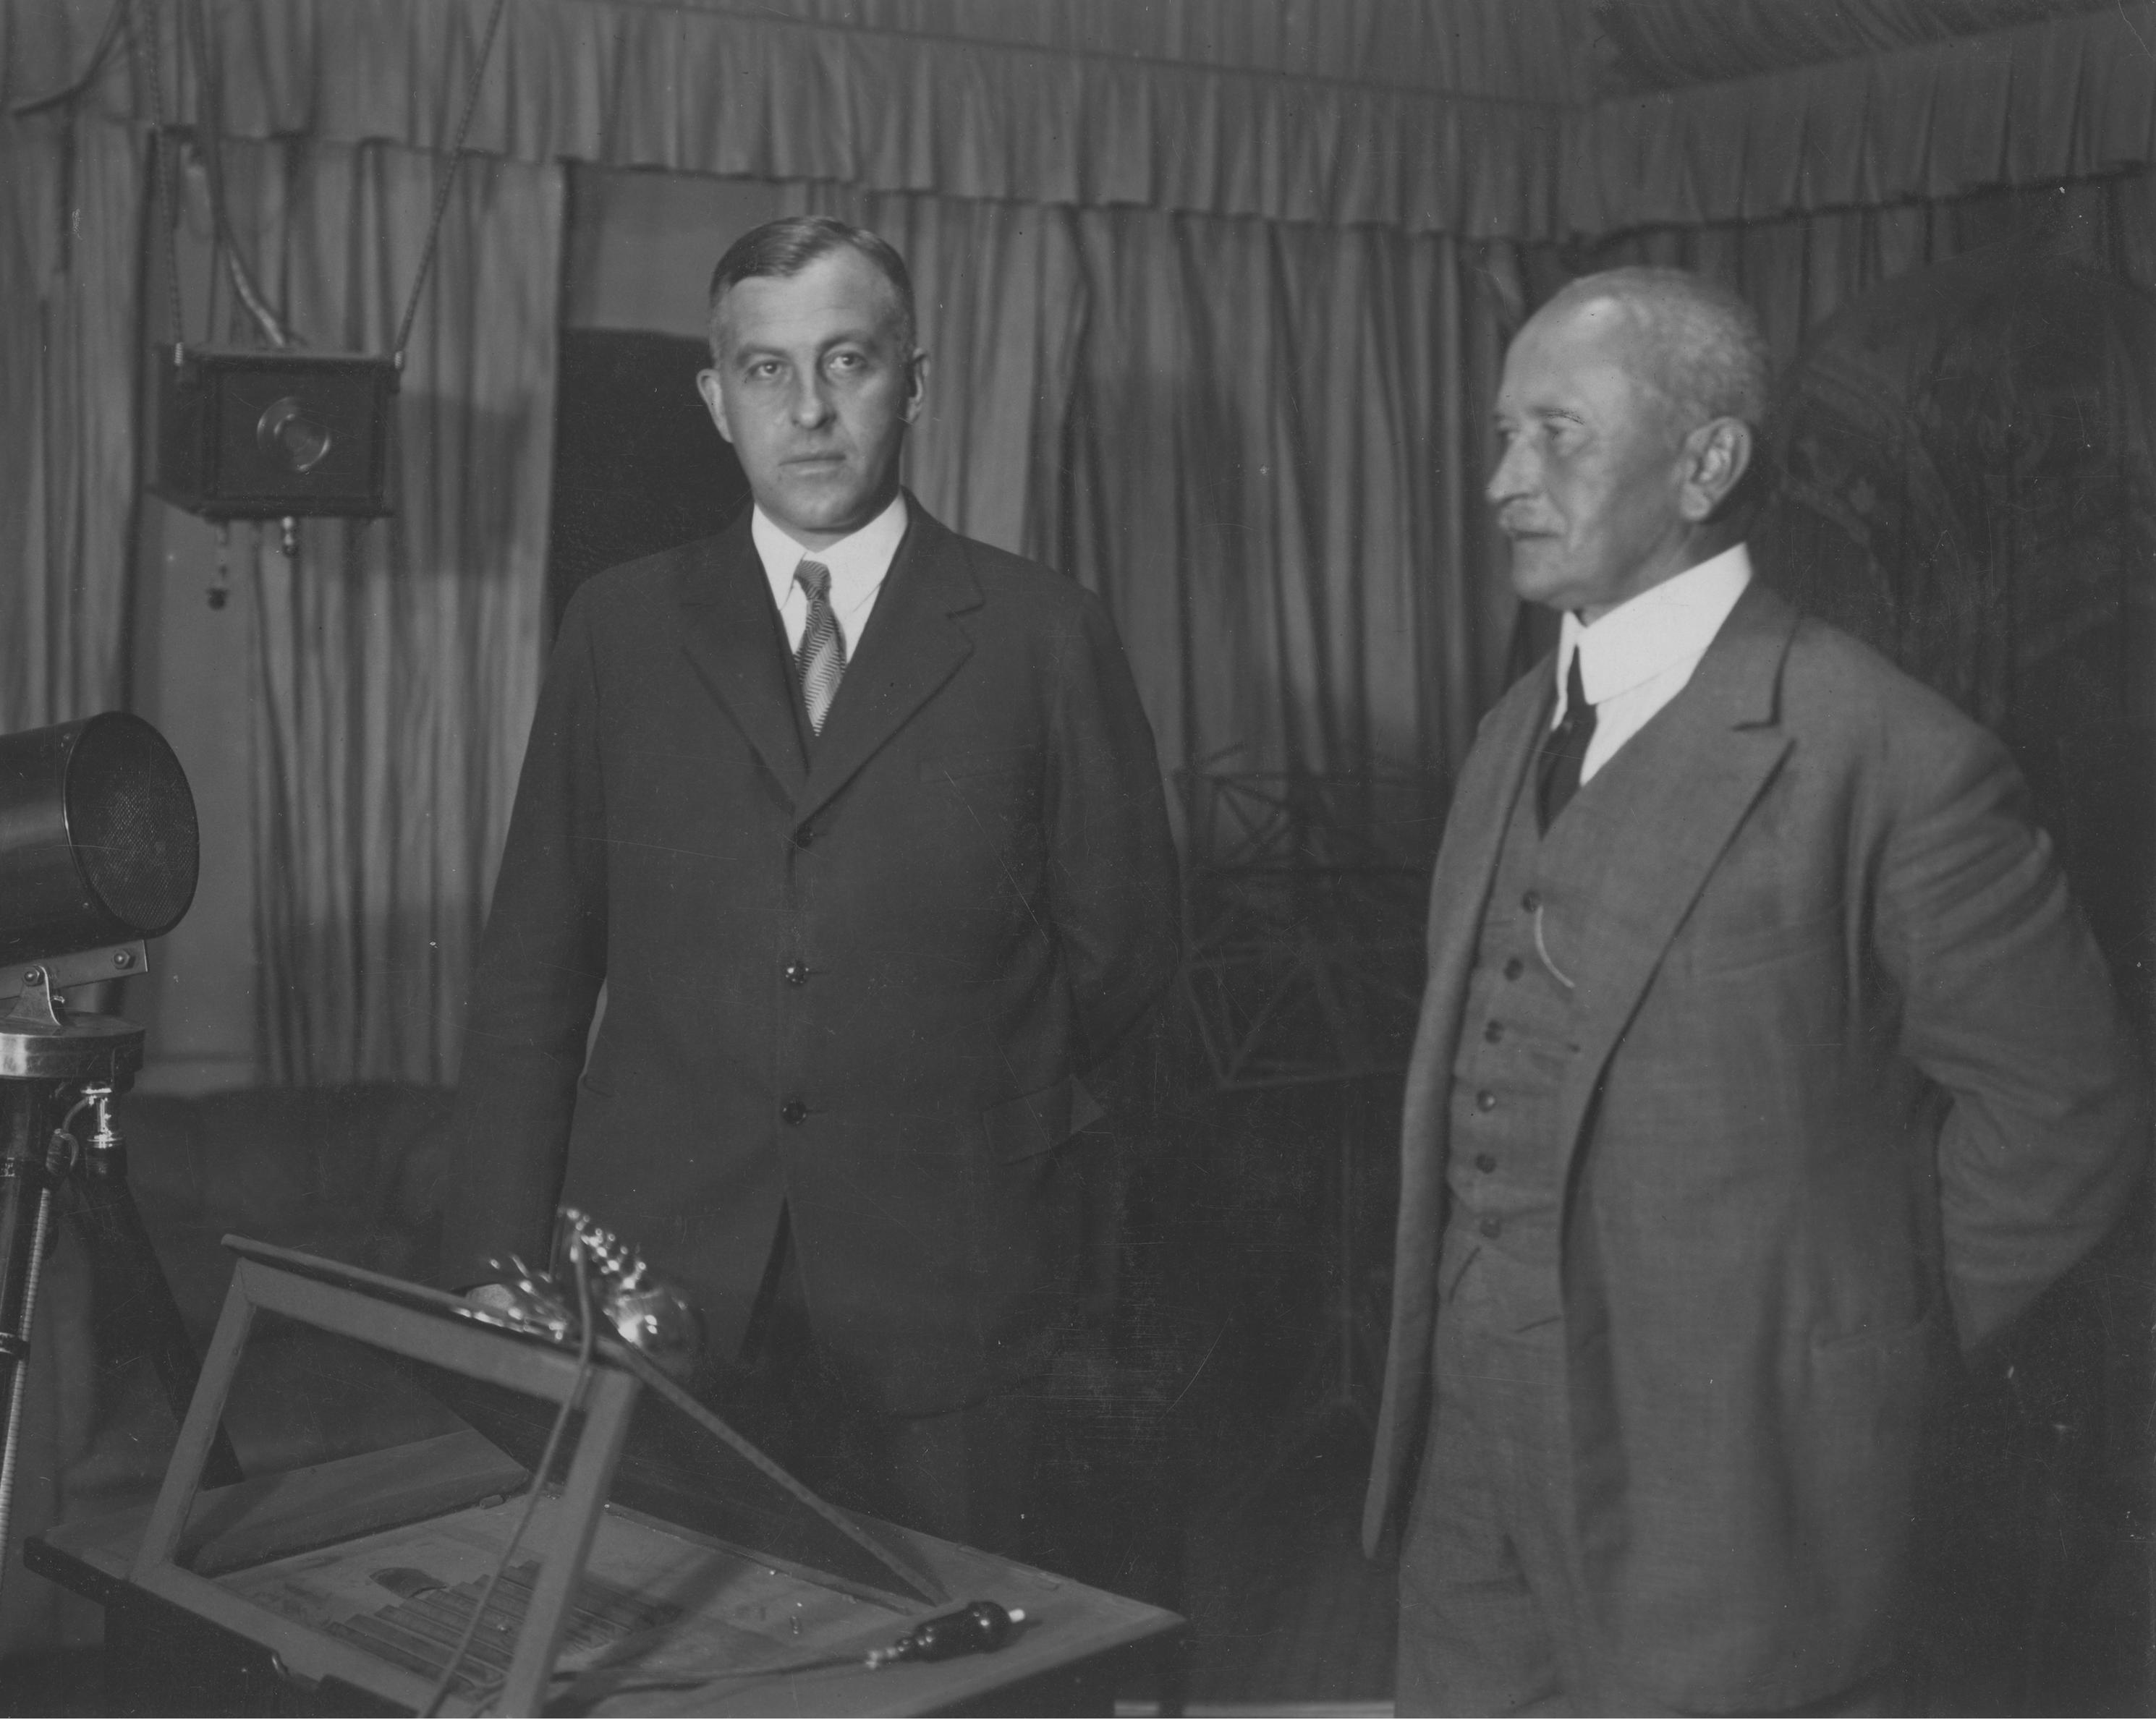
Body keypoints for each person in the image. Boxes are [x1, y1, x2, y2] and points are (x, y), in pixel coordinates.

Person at [1362, 265, 2147, 1715]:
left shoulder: (1891, 755)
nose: (1501, 481)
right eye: (1501, 435)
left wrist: (1850, 1341)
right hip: (1466, 1448)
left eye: (1555, 434)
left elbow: (2068, 1112)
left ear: (1707, 462)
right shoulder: (1504, 734)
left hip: (1725, 1476)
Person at [444, 216, 1181, 1554]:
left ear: (916, 382)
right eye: (767, 370)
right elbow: (530, 983)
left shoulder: (1043, 634)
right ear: (716, 401)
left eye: (849, 360)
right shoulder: (621, 629)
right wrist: (500, 1270)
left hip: (951, 1298)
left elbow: (1121, 960)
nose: (811, 409)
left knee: (965, 1648)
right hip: (664, 1300)